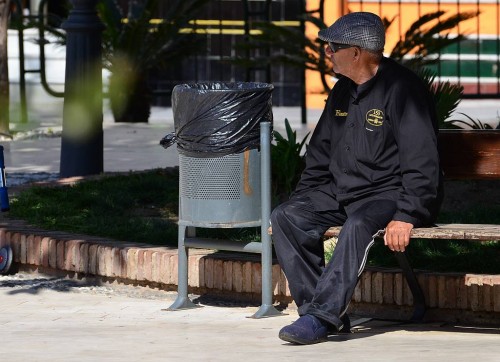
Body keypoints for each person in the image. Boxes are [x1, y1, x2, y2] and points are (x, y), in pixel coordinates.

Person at [271, 11, 443, 345]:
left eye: (332, 46)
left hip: (390, 194)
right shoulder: (341, 92)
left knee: (359, 224)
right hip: (343, 192)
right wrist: (302, 200)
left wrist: (407, 214)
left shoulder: (403, 90)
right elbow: (319, 156)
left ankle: (321, 316)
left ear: (356, 52)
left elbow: (422, 159)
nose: (327, 53)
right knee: (286, 217)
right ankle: (319, 313)